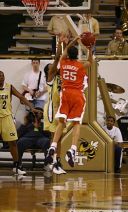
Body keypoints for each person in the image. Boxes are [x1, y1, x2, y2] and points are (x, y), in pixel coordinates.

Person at [45, 35, 93, 169]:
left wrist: (73, 40)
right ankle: (72, 148)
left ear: (68, 55)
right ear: (77, 55)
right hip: (77, 95)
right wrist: (89, 48)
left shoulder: (63, 63)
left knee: (61, 122)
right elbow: (90, 61)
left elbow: (64, 51)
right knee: (77, 123)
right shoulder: (80, 65)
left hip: (65, 94)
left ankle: (53, 146)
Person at [0, 70, 40, 175]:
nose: (1, 78)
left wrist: (32, 108)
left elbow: (21, 97)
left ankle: (17, 165)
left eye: (2, 76)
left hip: (7, 118)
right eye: (0, 76)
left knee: (12, 142)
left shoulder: (9, 87)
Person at [43, 35, 66, 175]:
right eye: (51, 67)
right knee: (54, 137)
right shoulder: (51, 77)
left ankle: (56, 161)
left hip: (60, 108)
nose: (54, 66)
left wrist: (67, 44)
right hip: (51, 109)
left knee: (59, 137)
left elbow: (62, 61)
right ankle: (52, 161)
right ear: (48, 71)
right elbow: (58, 59)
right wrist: (59, 45)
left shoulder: (60, 76)